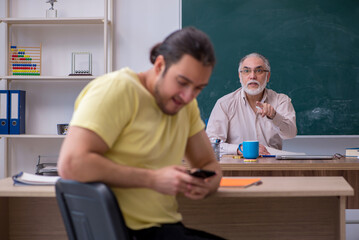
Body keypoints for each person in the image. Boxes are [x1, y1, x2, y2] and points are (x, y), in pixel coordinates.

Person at [57, 27, 224, 240]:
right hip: (122, 231)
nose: (188, 96)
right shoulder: (117, 89)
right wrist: (153, 179)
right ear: (160, 65)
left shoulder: (187, 106)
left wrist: (208, 184)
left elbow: (208, 164)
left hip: (165, 229)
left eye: (198, 88)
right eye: (182, 83)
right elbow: (72, 163)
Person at [206, 53, 297, 155]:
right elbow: (211, 144)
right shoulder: (224, 104)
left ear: (268, 76)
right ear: (240, 76)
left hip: (272, 166)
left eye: (259, 71)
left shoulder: (281, 101)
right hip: (236, 167)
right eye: (246, 71)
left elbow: (291, 134)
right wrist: (240, 149)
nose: (252, 76)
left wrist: (274, 117)